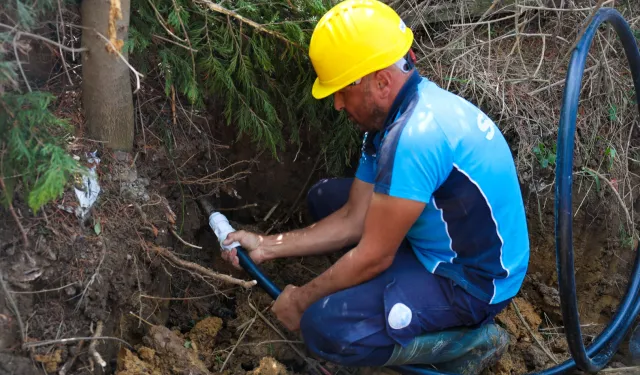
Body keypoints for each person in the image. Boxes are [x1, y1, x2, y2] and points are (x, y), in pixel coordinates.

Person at [222, 0, 530, 373]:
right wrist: (266, 247)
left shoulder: (417, 137)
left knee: (325, 329)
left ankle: (465, 345)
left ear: (381, 81)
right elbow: (354, 217)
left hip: (471, 283)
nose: (336, 104)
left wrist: (302, 301)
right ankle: (379, 294)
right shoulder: (394, 120)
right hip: (438, 244)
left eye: (341, 91)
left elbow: (374, 255)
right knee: (325, 198)